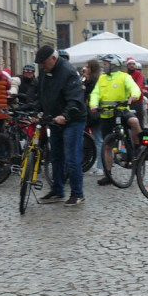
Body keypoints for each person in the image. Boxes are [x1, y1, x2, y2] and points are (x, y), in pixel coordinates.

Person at [35, 44, 87, 206]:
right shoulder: (45, 72)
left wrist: (65, 116)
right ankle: (58, 190)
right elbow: (40, 94)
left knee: (72, 157)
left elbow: (75, 99)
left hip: (73, 119)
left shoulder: (68, 72)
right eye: (40, 64)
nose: (42, 66)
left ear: (53, 58)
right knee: (56, 156)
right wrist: (35, 110)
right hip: (54, 119)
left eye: (44, 63)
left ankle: (78, 193)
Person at [90, 54, 142, 186]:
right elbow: (95, 93)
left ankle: (137, 147)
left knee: (134, 122)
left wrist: (134, 96)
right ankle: (108, 174)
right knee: (107, 146)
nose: (104, 66)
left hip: (121, 110)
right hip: (106, 115)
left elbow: (134, 87)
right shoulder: (102, 78)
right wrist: (94, 104)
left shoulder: (124, 76)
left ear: (113, 65)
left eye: (106, 64)